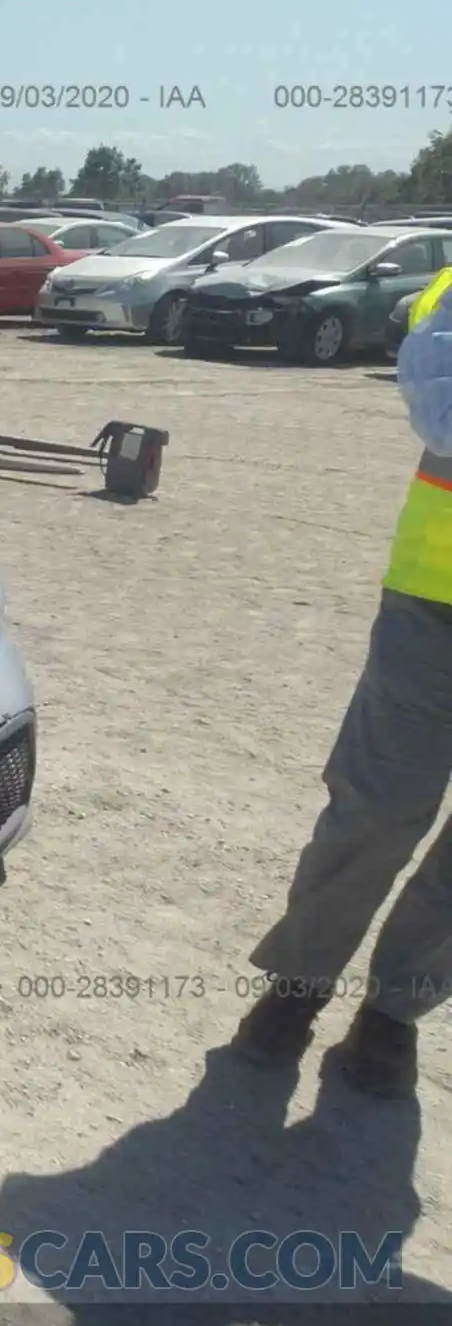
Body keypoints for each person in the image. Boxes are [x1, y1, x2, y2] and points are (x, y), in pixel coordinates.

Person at [232, 263, 452, 1098]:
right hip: (438, 603)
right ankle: (296, 988)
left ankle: (395, 1014)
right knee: (376, 808)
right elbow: (444, 413)